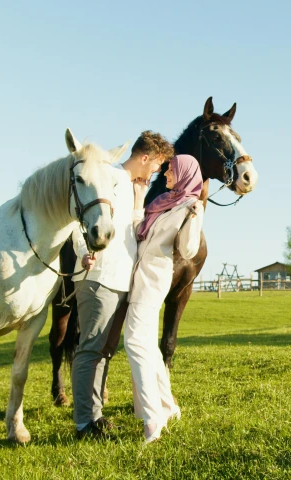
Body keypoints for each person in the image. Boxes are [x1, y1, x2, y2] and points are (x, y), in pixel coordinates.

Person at [71, 131, 174, 439]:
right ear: (145, 158)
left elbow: (132, 231)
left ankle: (95, 415)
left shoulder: (130, 187)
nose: (157, 171)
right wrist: (81, 252)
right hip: (99, 276)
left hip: (120, 278)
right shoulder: (108, 177)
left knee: (105, 350)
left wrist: (141, 200)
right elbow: (78, 221)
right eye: (157, 164)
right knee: (90, 349)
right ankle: (82, 423)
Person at [124, 154, 204, 444]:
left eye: (171, 170)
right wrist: (138, 199)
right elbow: (138, 233)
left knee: (133, 341)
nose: (167, 173)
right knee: (146, 345)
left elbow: (188, 249)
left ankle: (152, 419)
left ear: (183, 173)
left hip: (154, 281)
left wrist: (195, 217)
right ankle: (169, 408)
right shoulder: (164, 203)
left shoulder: (188, 206)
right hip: (138, 280)